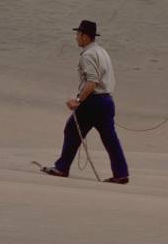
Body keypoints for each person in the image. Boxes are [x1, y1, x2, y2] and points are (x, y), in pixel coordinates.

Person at [42, 20, 130, 184]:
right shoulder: (101, 51)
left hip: (93, 102)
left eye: (78, 34)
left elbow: (92, 81)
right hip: (107, 101)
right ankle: (121, 173)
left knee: (71, 131)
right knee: (110, 139)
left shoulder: (88, 55)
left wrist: (77, 100)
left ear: (84, 36)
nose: (76, 38)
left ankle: (62, 168)